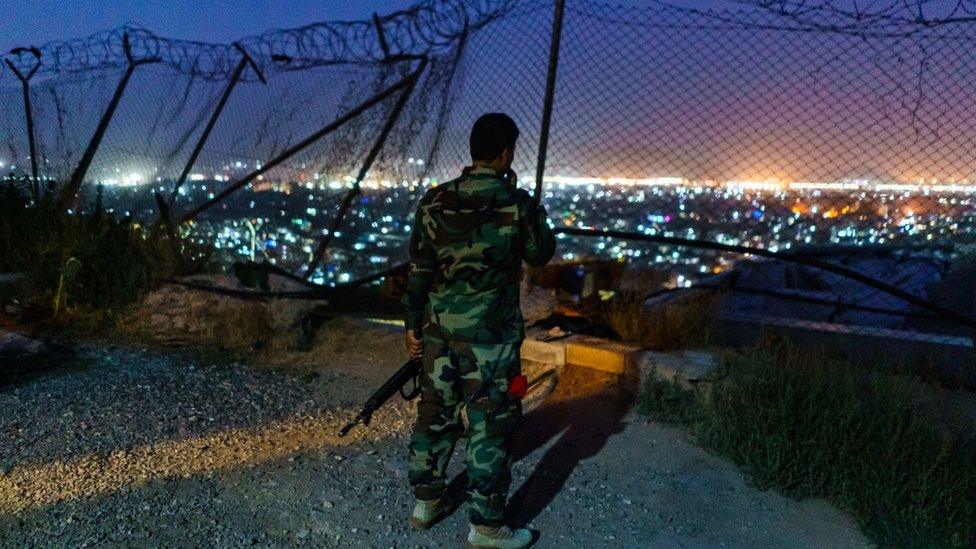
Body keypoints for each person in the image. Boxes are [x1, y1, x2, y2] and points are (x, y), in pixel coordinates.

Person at [401, 113, 556, 548]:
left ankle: (427, 501)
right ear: (506, 152)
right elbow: (541, 253)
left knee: (436, 413)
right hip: (492, 339)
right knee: (490, 424)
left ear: (473, 151)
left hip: (440, 334)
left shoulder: (435, 200)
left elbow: (419, 270)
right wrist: (527, 202)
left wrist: (412, 324)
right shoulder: (515, 204)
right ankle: (487, 527)